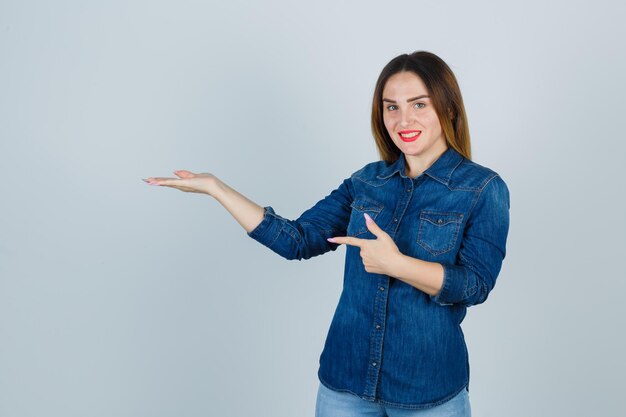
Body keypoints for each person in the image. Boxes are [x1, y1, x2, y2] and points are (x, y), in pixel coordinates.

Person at [143, 51, 510, 417]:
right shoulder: (366, 182)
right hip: (345, 382)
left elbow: (475, 285)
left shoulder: (482, 188)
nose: (403, 119)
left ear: (448, 108)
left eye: (419, 104)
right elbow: (297, 240)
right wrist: (217, 189)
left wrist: (396, 264)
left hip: (428, 390)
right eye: (391, 107)